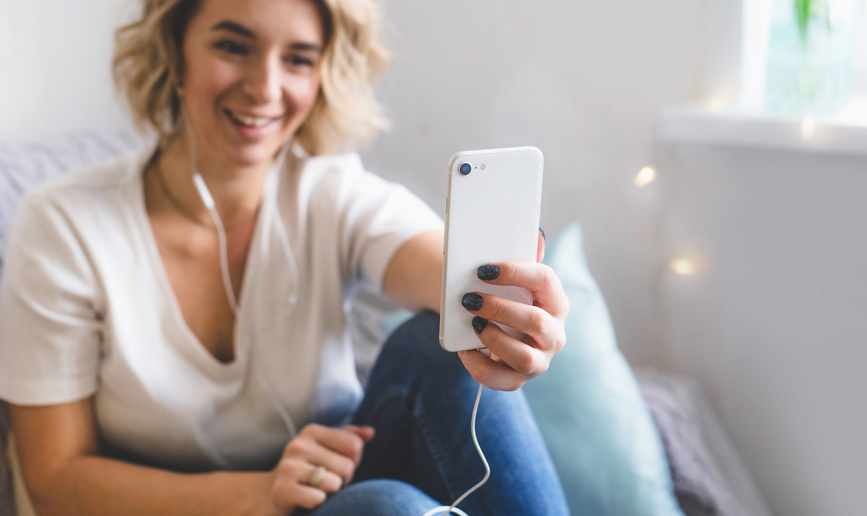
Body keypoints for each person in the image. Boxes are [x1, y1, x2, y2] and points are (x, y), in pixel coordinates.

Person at [0, 0, 570, 514]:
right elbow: (53, 478)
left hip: (322, 498)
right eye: (232, 46)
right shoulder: (63, 222)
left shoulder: (330, 193)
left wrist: (502, 308)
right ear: (174, 50)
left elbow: (430, 263)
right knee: (385, 507)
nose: (264, 87)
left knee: (439, 342)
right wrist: (257, 491)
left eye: (298, 59)